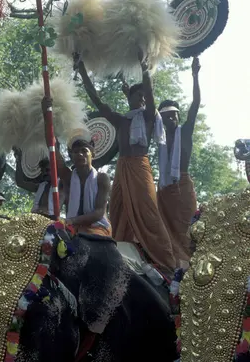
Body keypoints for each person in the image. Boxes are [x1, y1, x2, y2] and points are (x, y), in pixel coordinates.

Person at [75, 52, 175, 273]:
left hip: (140, 167)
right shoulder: (120, 120)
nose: (141, 99)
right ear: (128, 97)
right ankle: (120, 254)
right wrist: (82, 69)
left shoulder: (149, 116)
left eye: (144, 97)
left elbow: (150, 92)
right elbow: (97, 100)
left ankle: (168, 263)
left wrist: (144, 66)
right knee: (118, 210)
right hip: (122, 168)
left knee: (149, 212)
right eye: (137, 96)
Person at [157, 57, 201, 267]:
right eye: (166, 116)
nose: (171, 119)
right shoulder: (160, 139)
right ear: (162, 120)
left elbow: (196, 104)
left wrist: (195, 75)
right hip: (165, 191)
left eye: (174, 115)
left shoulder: (186, 132)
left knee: (189, 232)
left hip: (183, 188)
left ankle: (193, 270)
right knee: (164, 232)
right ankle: (170, 272)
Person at [65, 134, 111, 236]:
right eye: (76, 152)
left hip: (98, 227)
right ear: (71, 157)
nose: (80, 154)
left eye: (84, 151)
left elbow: (99, 212)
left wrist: (72, 220)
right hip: (72, 227)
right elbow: (56, 160)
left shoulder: (102, 178)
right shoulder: (68, 178)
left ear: (93, 154)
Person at [15, 150, 65, 218]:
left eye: (47, 170)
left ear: (56, 169)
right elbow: (20, 182)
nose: (44, 173)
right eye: (42, 170)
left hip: (51, 220)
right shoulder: (41, 186)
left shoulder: (62, 184)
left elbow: (63, 167)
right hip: (35, 218)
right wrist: (19, 159)